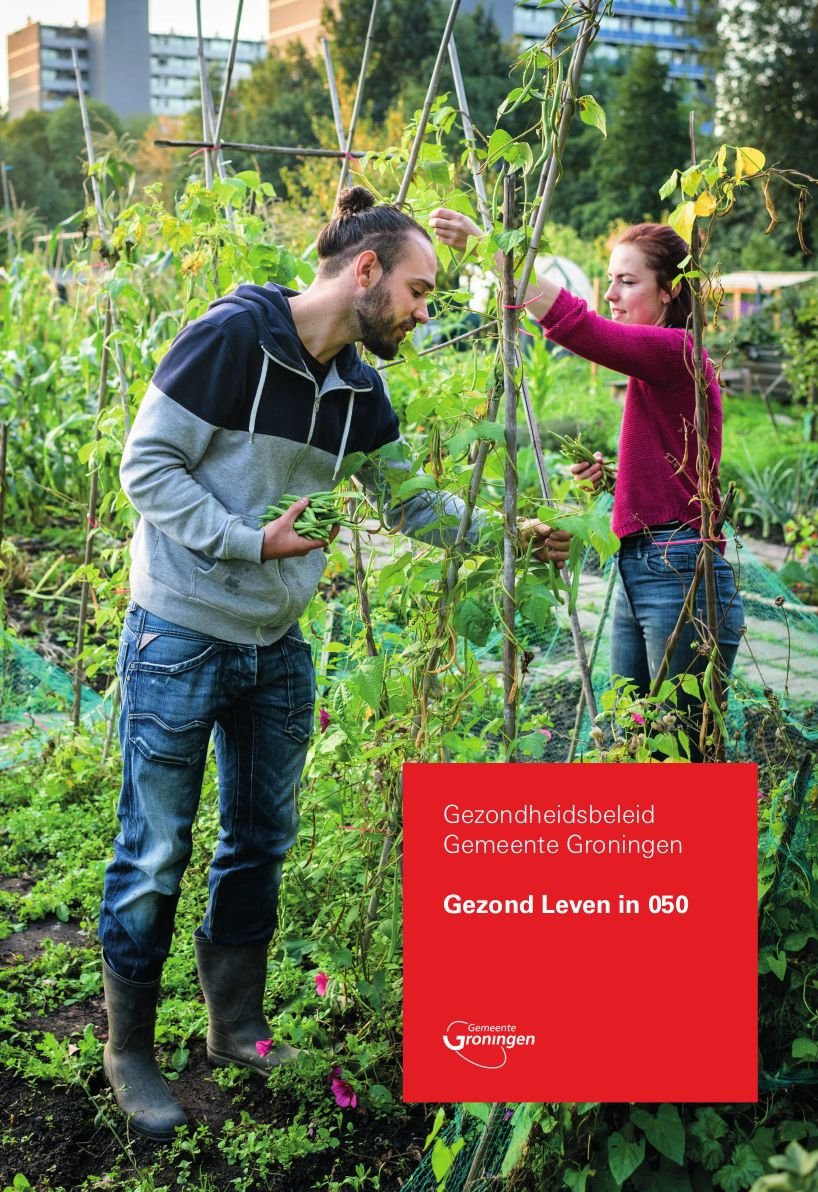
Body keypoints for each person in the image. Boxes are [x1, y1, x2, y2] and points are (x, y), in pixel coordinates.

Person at [99, 187, 569, 1141]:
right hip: (180, 630)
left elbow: (414, 508)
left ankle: (235, 1024)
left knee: (261, 840)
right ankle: (130, 1048)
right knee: (156, 852)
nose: (424, 310)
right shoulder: (231, 338)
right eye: (419, 290)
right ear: (366, 271)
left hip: (276, 646)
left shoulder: (359, 388)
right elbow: (145, 465)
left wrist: (505, 537)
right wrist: (246, 541)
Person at [430, 209, 745, 751]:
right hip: (643, 564)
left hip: (678, 571)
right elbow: (676, 473)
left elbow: (580, 327)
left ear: (669, 293)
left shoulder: (678, 351)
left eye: (628, 281)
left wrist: (493, 252)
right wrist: (613, 484)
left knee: (679, 754)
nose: (612, 294)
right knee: (629, 742)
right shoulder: (658, 371)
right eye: (609, 281)